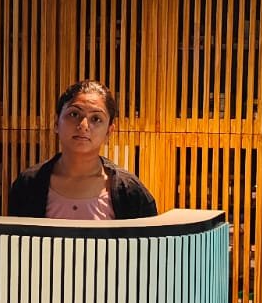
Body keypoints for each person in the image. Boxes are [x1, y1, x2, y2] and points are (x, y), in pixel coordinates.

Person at [8, 80, 157, 220]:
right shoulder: (27, 186)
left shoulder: (131, 193)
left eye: (96, 119)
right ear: (56, 123)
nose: (83, 126)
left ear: (109, 131)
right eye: (74, 114)